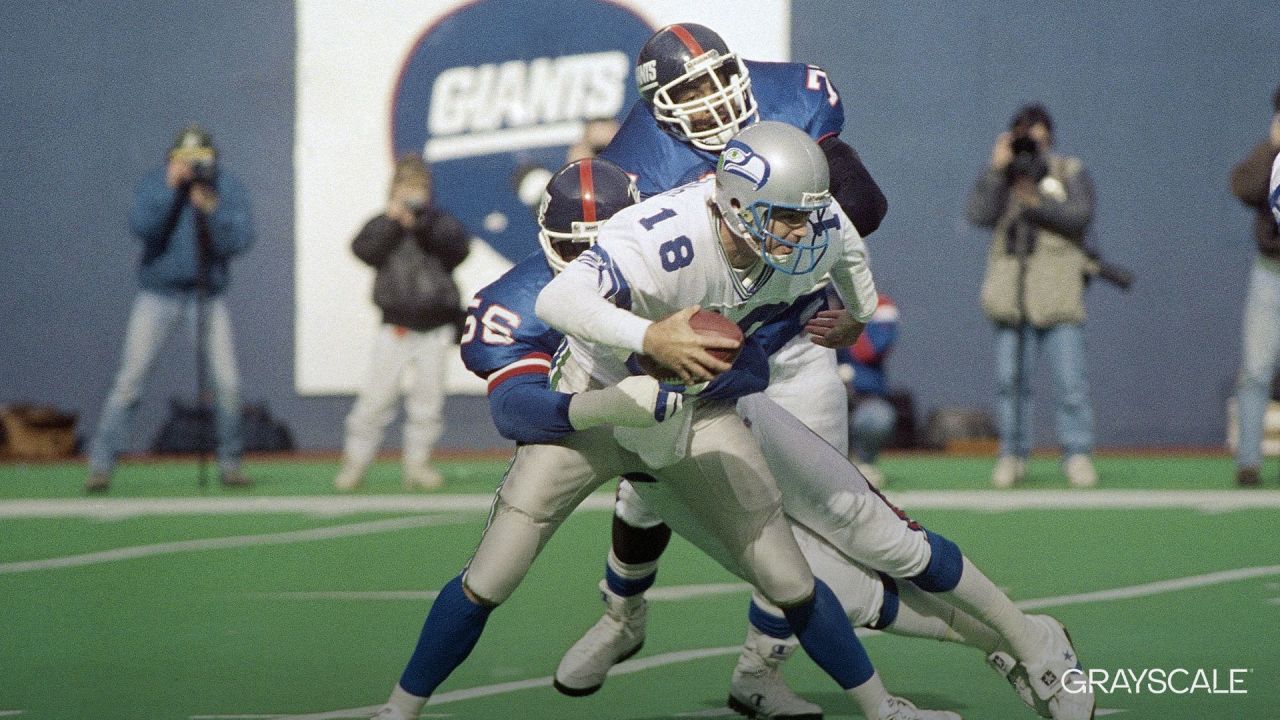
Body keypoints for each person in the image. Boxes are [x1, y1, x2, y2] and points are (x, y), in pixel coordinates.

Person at [560, 24, 893, 717]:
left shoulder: (790, 93)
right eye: (691, 91)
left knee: (812, 516)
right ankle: (622, 615)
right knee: (646, 489)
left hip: (795, 337)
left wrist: (787, 236)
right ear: (658, 107)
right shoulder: (634, 164)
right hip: (705, 349)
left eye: (718, 80)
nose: (712, 101)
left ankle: (759, 671)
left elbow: (862, 201)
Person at [85, 124, 255, 493]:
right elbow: (143, 228)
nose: (193, 167)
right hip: (158, 295)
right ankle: (101, 464)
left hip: (206, 295)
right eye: (185, 160)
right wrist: (171, 191)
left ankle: (231, 463)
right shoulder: (154, 184)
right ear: (171, 160)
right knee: (129, 382)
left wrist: (212, 211)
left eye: (201, 160)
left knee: (228, 385)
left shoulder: (225, 188)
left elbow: (240, 240)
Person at [965, 103, 1098, 489]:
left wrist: (1037, 199)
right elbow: (977, 214)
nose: (1030, 144)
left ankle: (1077, 453)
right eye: (1022, 135)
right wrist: (996, 169)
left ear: (1050, 137)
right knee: (1009, 382)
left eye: (1037, 135)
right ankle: (1013, 452)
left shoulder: (1068, 171)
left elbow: (1080, 215)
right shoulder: (1003, 177)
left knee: (1071, 383)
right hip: (1012, 293)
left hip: (1058, 292)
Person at [334, 154, 470, 492]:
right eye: (406, 188)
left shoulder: (439, 224)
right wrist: (394, 222)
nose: (413, 196)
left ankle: (418, 464)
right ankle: (355, 462)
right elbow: (363, 251)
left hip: (435, 326)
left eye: (419, 189)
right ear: (393, 191)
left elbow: (458, 250)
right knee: (375, 400)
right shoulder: (384, 225)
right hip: (395, 325)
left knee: (428, 404)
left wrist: (423, 224)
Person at [1227, 84, 1280, 488]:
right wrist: (1272, 146)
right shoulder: (1271, 154)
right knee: (1256, 370)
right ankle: (1248, 462)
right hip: (1270, 272)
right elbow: (1242, 187)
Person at [836, 293, 900, 489]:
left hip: (864, 395)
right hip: (821, 394)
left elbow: (869, 351)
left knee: (878, 417)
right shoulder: (807, 301)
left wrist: (847, 317)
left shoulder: (880, 305)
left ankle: (864, 462)